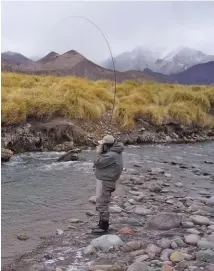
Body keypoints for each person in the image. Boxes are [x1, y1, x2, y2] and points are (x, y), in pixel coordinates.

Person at [92, 135, 124, 234]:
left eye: (102, 145)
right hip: (107, 180)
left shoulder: (111, 155)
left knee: (102, 202)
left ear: (106, 146)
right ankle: (102, 223)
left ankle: (103, 226)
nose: (101, 146)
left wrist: (99, 152)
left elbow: (97, 163)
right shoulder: (114, 152)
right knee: (101, 201)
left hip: (107, 181)